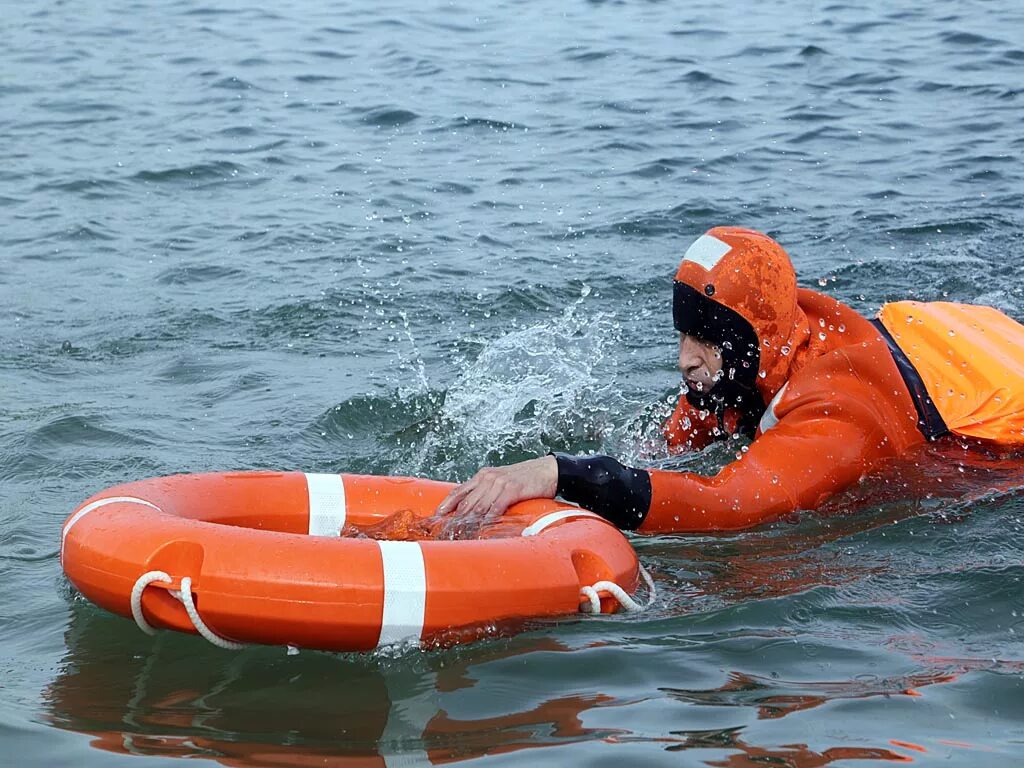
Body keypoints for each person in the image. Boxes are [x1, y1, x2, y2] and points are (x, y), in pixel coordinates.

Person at [434, 226, 1024, 534]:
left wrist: (563, 471)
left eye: (706, 341)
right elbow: (666, 455)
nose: (685, 361)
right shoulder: (752, 354)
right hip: (942, 341)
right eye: (683, 336)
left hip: (990, 417)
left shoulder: (839, 413)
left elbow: (734, 507)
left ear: (751, 340)